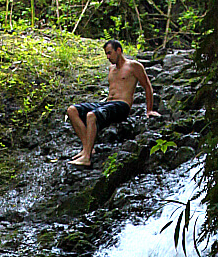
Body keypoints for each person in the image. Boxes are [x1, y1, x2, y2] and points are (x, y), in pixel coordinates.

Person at [66, 39, 161, 168]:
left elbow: (147, 86)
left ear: (119, 50)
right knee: (72, 110)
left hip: (122, 106)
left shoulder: (133, 66)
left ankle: (86, 157)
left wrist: (149, 110)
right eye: (106, 54)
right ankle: (87, 148)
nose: (108, 57)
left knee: (91, 116)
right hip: (107, 104)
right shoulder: (111, 68)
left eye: (110, 53)